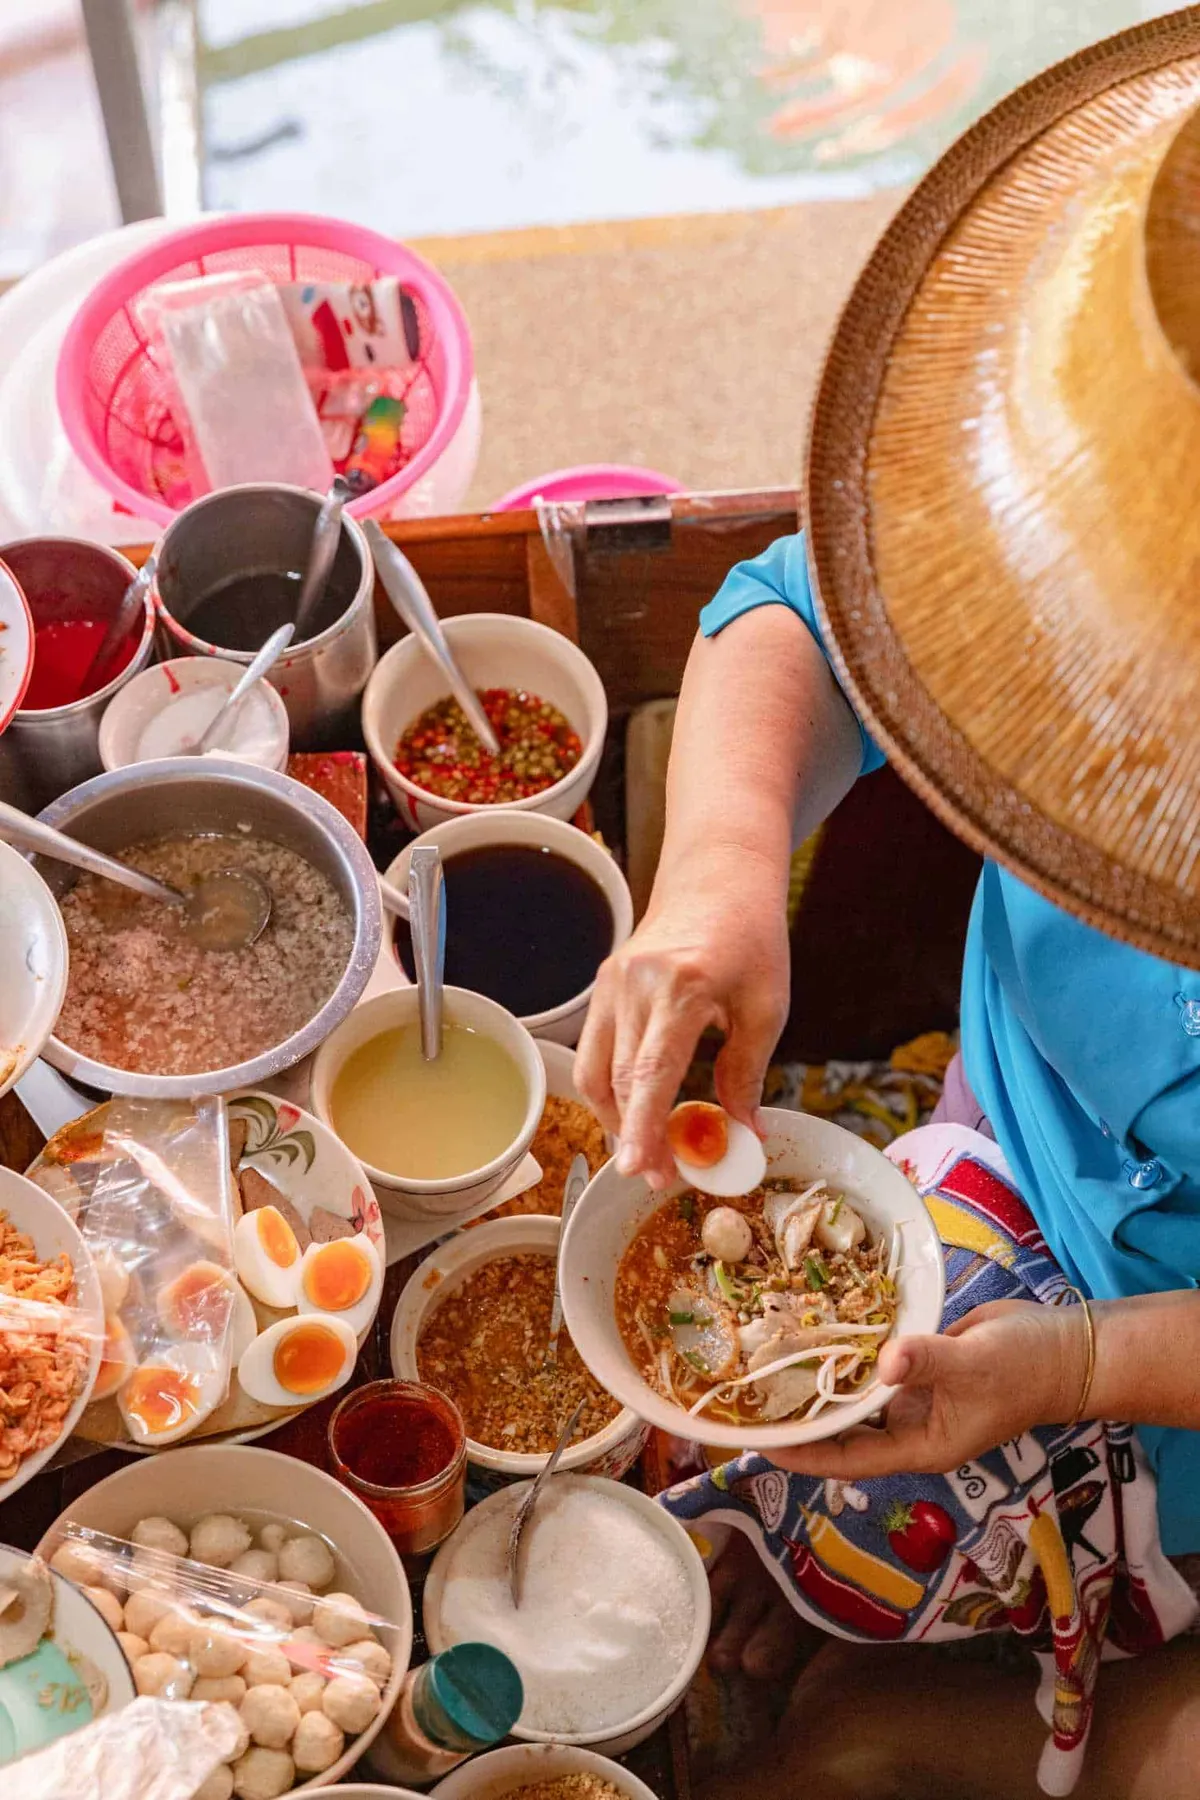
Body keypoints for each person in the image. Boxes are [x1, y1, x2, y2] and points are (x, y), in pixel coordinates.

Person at [575, 534, 1200, 1799]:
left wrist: (1080, 1364)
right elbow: (804, 609)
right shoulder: (1137, 516)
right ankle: (847, 1584)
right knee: (834, 1493)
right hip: (1001, 1121)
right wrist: (720, 865)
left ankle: (906, 1714)